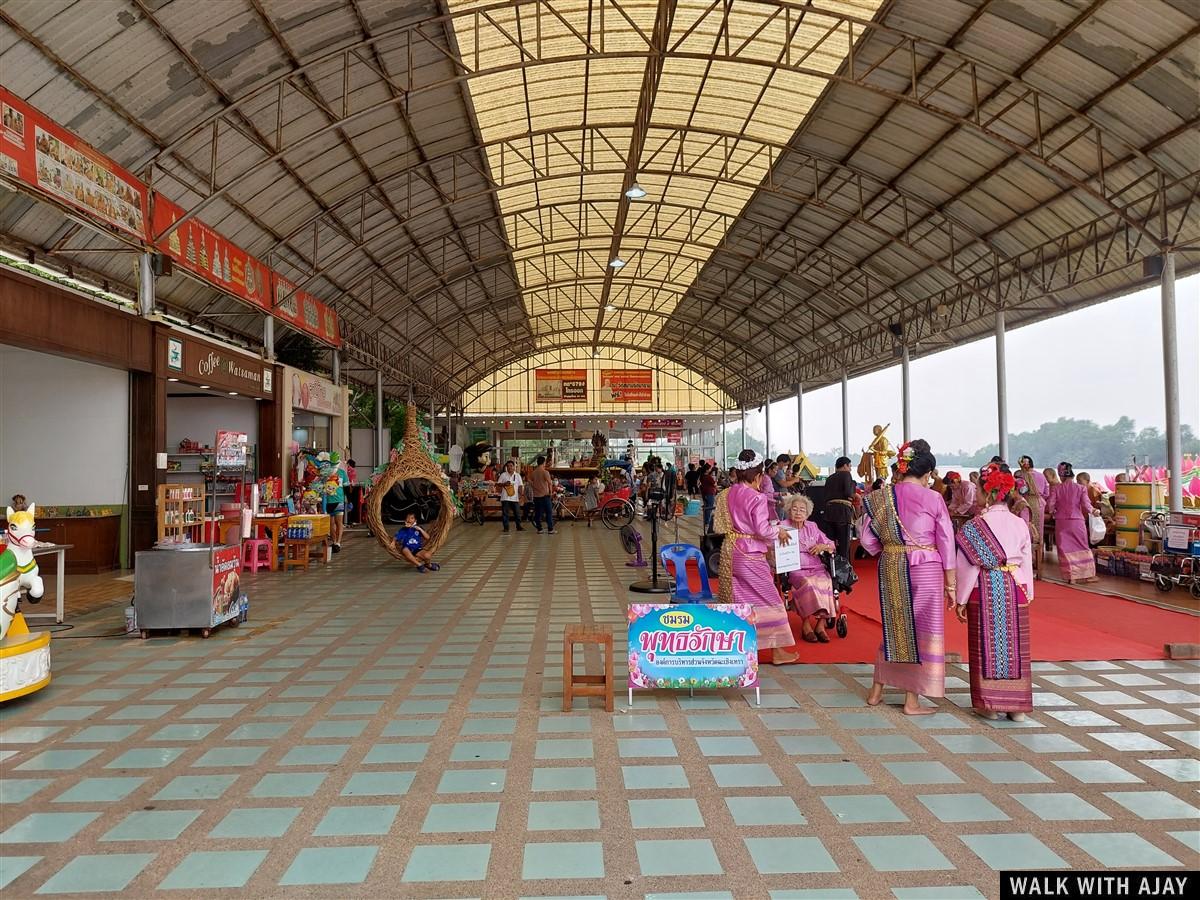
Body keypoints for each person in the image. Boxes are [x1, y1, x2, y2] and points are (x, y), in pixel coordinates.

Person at [861, 439, 955, 716]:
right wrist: (951, 583)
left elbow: (867, 540)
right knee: (922, 632)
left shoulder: (882, 496)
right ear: (927, 474)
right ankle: (911, 700)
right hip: (925, 566)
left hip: (891, 562)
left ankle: (876, 692)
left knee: (895, 627)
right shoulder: (933, 498)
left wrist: (889, 549)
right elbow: (946, 541)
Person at [953, 463, 1033, 722]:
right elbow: (1026, 561)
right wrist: (1028, 591)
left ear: (987, 494)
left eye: (977, 488)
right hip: (1014, 587)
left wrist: (960, 599)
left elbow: (967, 567)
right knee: (1015, 647)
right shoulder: (1020, 524)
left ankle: (989, 705)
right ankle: (1016, 707)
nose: (975, 493)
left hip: (983, 587)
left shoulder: (975, 526)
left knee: (983, 645)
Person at [713, 449, 800, 665]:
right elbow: (762, 529)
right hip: (751, 553)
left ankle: (740, 645)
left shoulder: (729, 493)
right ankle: (777, 650)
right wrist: (778, 531)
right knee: (771, 600)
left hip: (731, 551)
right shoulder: (757, 497)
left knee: (741, 600)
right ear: (759, 475)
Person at [783, 495, 836, 643]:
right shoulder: (782, 527)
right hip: (795, 568)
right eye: (795, 509)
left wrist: (822, 546)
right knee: (808, 583)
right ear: (789, 510)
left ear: (807, 513)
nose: (798, 512)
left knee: (826, 582)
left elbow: (830, 544)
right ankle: (806, 624)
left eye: (802, 510)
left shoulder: (812, 526)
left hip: (816, 567)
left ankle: (820, 625)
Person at [1047, 461, 1097, 583]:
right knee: (1082, 546)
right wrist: (1094, 511)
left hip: (1061, 522)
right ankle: (1087, 575)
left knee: (1065, 549)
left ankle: (1071, 577)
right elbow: (1086, 504)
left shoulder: (1056, 489)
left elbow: (1050, 505)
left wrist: (1053, 512)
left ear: (1061, 475)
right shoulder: (1081, 488)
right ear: (1073, 475)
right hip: (1077, 521)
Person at [823, 456, 856, 561]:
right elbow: (848, 493)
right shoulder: (846, 474)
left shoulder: (829, 478)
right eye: (850, 466)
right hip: (842, 512)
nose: (850, 469)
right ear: (845, 465)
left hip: (829, 512)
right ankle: (844, 568)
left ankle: (830, 567)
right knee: (843, 545)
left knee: (830, 543)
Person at [529, 455, 555, 534]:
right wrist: (550, 493)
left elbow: (529, 481)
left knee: (538, 513)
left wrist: (535, 487)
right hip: (545, 496)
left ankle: (539, 529)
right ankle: (550, 529)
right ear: (544, 462)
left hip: (537, 496)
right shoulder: (545, 472)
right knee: (549, 512)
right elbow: (550, 483)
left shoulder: (533, 472)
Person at [497, 460, 524, 533]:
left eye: (511, 466)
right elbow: (498, 484)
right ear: (506, 467)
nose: (509, 467)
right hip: (505, 498)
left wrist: (521, 495)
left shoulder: (517, 475)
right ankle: (506, 528)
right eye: (508, 466)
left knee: (517, 513)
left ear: (514, 467)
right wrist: (504, 484)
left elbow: (520, 486)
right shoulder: (503, 475)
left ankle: (519, 526)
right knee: (505, 513)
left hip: (515, 498)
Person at [699, 462, 718, 533]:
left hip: (705, 493)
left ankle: (706, 521)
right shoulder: (708, 477)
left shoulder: (702, 476)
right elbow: (714, 483)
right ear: (707, 470)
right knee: (709, 508)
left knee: (707, 507)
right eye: (709, 468)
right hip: (710, 493)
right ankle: (707, 521)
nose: (710, 469)